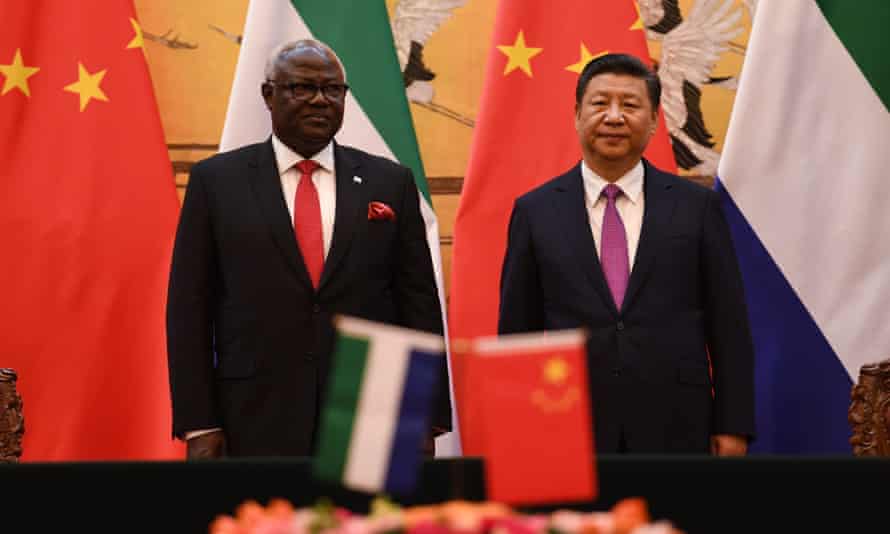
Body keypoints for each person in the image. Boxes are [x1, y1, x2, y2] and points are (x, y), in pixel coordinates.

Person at [166, 39, 449, 458]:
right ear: (269, 94)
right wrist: (198, 422)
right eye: (302, 88)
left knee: (366, 526)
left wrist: (424, 417)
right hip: (252, 413)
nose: (320, 100)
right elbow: (189, 309)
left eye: (333, 90)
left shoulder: (389, 183)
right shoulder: (217, 182)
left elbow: (418, 307)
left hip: (370, 414)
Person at [498, 53, 754, 455]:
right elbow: (517, 334)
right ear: (577, 114)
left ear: (653, 120)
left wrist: (734, 424)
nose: (614, 117)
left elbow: (729, 326)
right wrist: (520, 430)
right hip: (570, 424)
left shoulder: (696, 207)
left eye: (630, 105)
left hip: (679, 424)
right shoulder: (536, 211)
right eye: (600, 103)